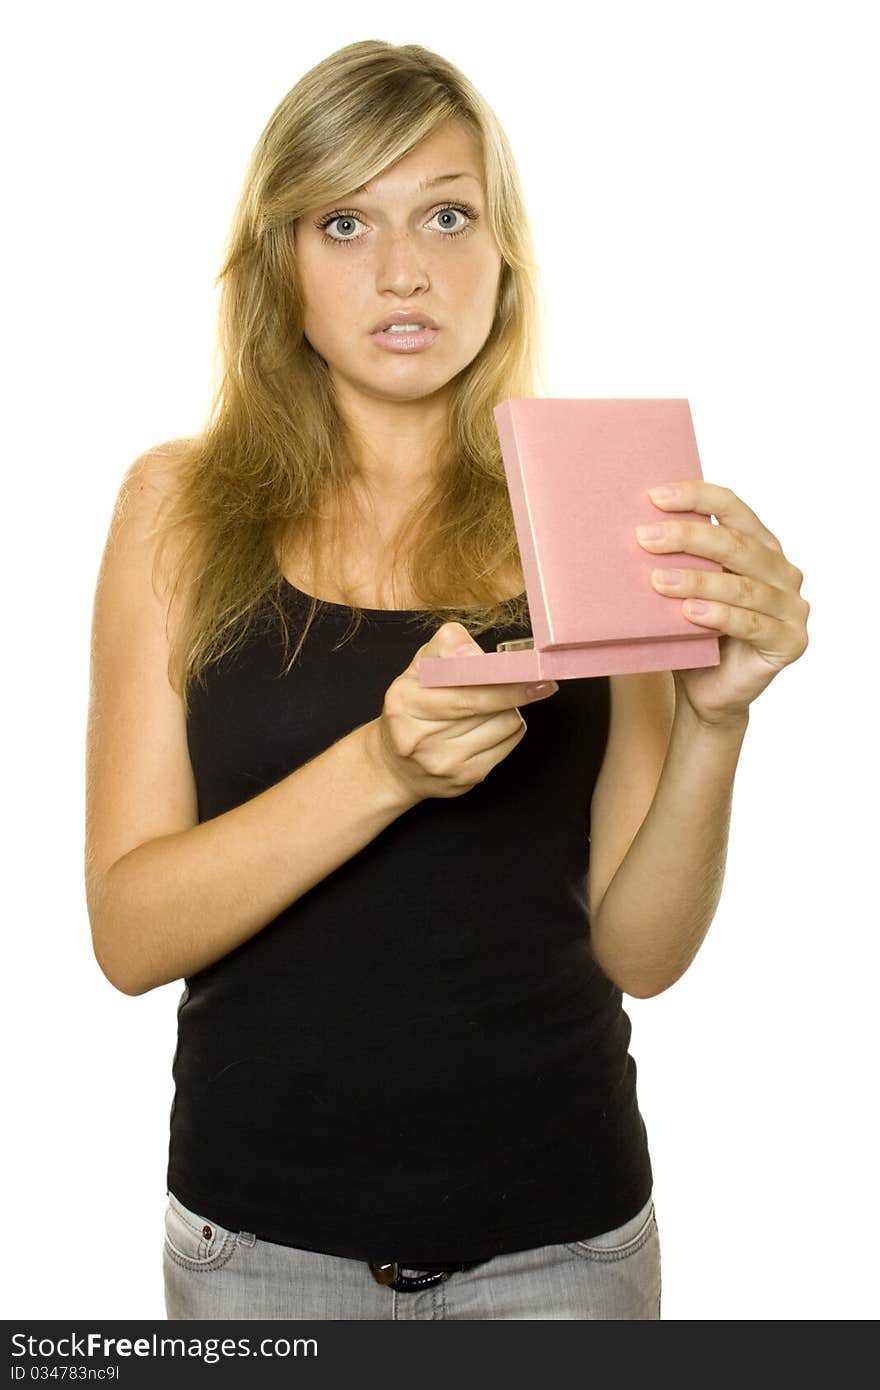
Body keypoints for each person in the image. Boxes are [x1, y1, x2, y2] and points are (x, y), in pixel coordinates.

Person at [84, 41, 809, 1321]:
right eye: (345, 221)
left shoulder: (595, 511)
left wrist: (716, 722)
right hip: (257, 1255)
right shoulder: (175, 507)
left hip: (563, 1255)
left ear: (503, 253)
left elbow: (640, 954)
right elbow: (130, 936)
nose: (403, 269)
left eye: (447, 213)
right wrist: (381, 766)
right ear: (280, 264)